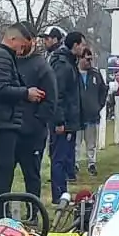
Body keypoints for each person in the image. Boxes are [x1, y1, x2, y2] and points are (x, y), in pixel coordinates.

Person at [0, 23, 45, 200]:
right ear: (12, 38)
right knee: (3, 174)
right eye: (22, 46)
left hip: (5, 121)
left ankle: (2, 209)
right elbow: (1, 89)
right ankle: (0, 211)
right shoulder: (1, 57)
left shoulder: (4, 56)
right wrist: (26, 93)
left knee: (5, 173)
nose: (22, 51)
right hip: (2, 123)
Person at [15, 37, 58, 199]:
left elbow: (51, 99)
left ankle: (33, 208)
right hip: (10, 130)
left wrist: (36, 121)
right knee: (4, 174)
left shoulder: (42, 66)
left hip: (32, 133)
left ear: (32, 41)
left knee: (32, 175)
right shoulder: (9, 62)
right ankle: (2, 209)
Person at [48, 31, 85, 203]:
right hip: (63, 121)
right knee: (59, 158)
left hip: (69, 120)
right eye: (82, 45)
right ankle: (58, 195)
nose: (84, 48)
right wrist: (59, 121)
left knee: (64, 157)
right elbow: (58, 94)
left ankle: (62, 192)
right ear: (75, 45)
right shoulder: (63, 65)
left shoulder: (69, 62)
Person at [76, 48, 107, 177]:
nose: (89, 62)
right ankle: (75, 164)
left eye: (91, 59)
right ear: (80, 59)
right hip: (77, 115)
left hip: (92, 115)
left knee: (91, 142)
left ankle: (91, 164)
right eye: (87, 59)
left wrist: (98, 105)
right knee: (76, 143)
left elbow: (103, 90)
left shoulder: (95, 74)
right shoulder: (73, 73)